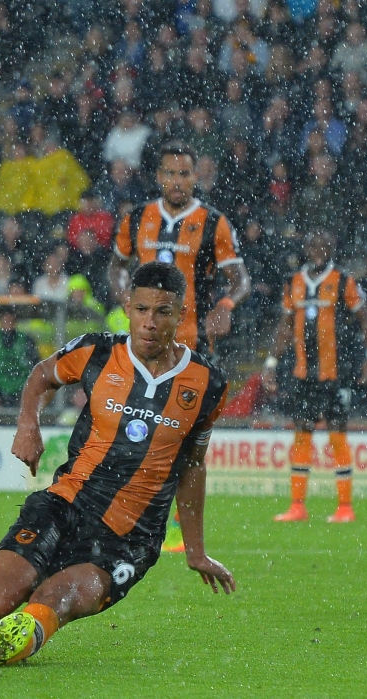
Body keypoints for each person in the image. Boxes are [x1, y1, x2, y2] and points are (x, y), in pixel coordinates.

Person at [0, 262, 235, 667]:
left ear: (181, 314)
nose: (150, 322)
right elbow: (42, 376)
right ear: (127, 306)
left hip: (130, 535)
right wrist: (28, 426)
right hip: (65, 503)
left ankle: (2, 649)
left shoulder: (207, 382)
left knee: (53, 600)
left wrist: (195, 551)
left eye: (162, 312)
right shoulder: (97, 351)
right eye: (142, 309)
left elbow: (193, 465)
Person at [108, 141, 250, 554]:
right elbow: (117, 264)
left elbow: (239, 278)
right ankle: (127, 513)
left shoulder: (213, 222)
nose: (177, 181)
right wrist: (123, 294)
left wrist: (226, 304)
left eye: (184, 174)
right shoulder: (137, 219)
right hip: (143, 344)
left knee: (181, 438)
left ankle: (169, 525)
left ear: (196, 177)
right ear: (158, 177)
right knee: (133, 427)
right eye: (170, 173)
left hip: (190, 348)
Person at [264, 230, 367, 524]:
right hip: (303, 374)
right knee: (301, 434)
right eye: (313, 245)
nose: (319, 250)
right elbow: (285, 325)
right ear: (305, 248)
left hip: (336, 374)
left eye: (325, 245)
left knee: (337, 435)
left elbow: (366, 320)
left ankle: (345, 507)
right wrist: (271, 361)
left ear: (333, 248)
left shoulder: (343, 281)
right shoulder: (294, 282)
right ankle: (298, 506)